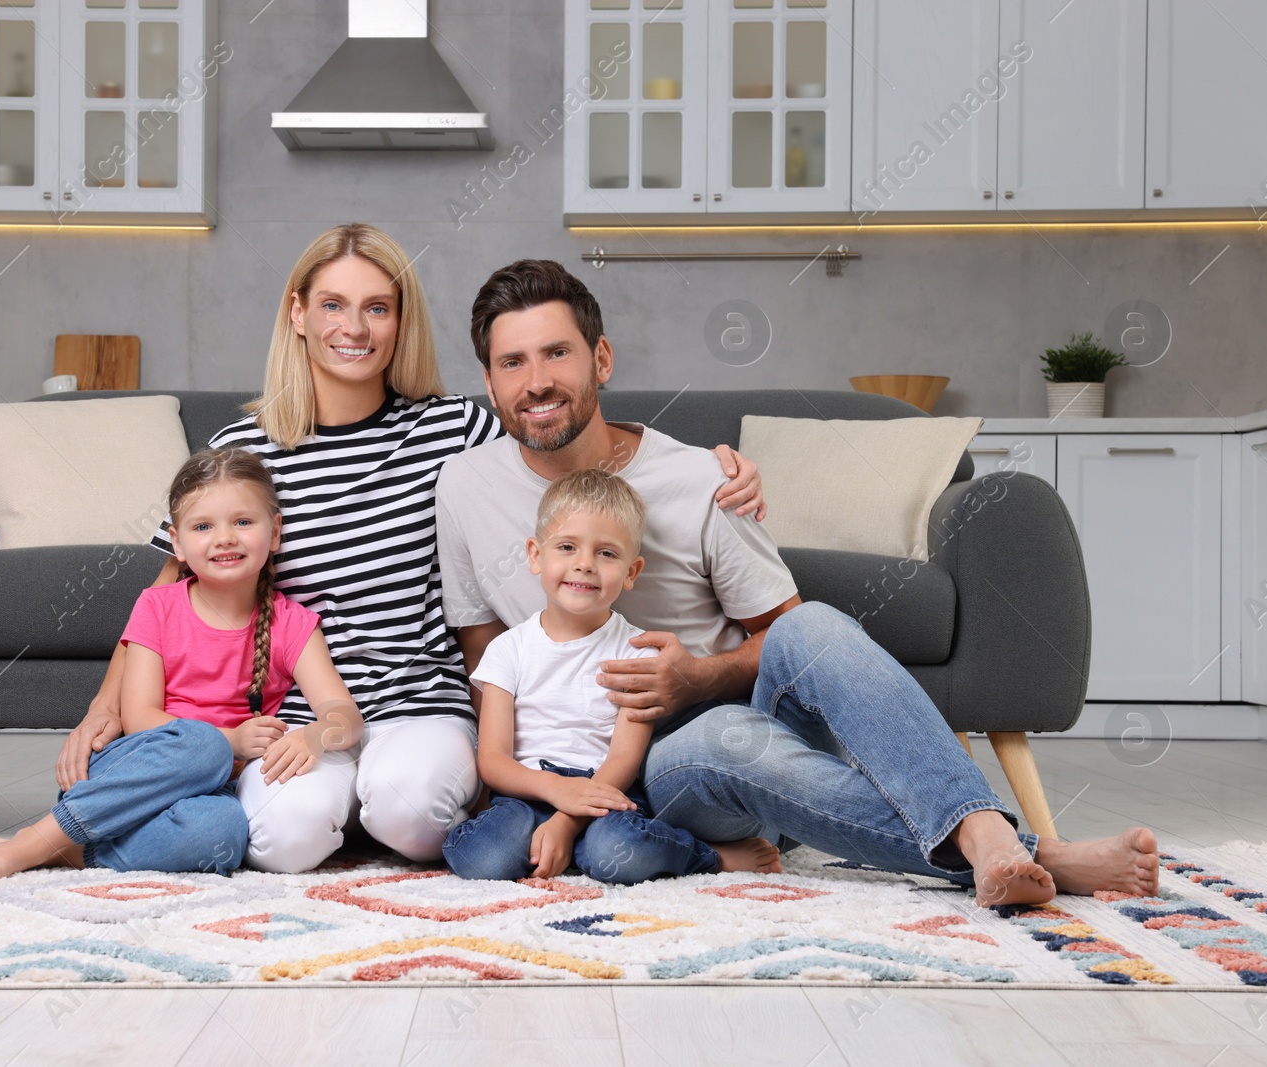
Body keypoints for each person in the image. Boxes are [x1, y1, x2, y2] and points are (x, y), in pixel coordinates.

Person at [436, 258, 1162, 906]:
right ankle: (1023, 852)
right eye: (512, 362)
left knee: (807, 629)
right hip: (631, 775)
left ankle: (979, 828)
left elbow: (785, 636)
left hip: (720, 729)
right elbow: (483, 655)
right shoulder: (465, 485)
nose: (537, 382)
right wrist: (536, 792)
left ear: (601, 358)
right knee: (723, 739)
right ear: (491, 379)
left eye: (557, 353)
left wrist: (697, 677)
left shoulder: (700, 478)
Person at [53, 224, 767, 874]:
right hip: (307, 714)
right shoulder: (243, 449)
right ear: (298, 314)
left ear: (400, 324)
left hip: (421, 702)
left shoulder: (456, 429)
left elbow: (567, 460)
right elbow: (168, 592)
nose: (354, 328)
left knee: (411, 810)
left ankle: (382, 810)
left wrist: (705, 466)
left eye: (377, 308)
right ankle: (333, 813)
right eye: (333, 305)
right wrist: (101, 706)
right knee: (282, 843)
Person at [0, 449, 363, 886]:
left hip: (211, 788)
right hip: (126, 774)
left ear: (275, 531)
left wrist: (317, 735)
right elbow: (139, 718)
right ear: (177, 542)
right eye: (203, 526)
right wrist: (232, 741)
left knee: (222, 831)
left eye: (243, 522)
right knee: (205, 745)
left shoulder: (292, 623)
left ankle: (73, 849)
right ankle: (33, 841)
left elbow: (345, 715)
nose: (224, 538)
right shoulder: (157, 606)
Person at [442, 469, 781, 883]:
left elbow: (624, 757)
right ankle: (550, 846)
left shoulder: (638, 652)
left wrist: (568, 818)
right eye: (566, 547)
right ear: (535, 555)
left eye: (606, 553)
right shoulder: (507, 649)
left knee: (617, 855)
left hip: (604, 792)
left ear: (632, 571)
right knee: (481, 859)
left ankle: (709, 857)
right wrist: (554, 790)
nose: (584, 564)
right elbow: (493, 760)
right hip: (527, 794)